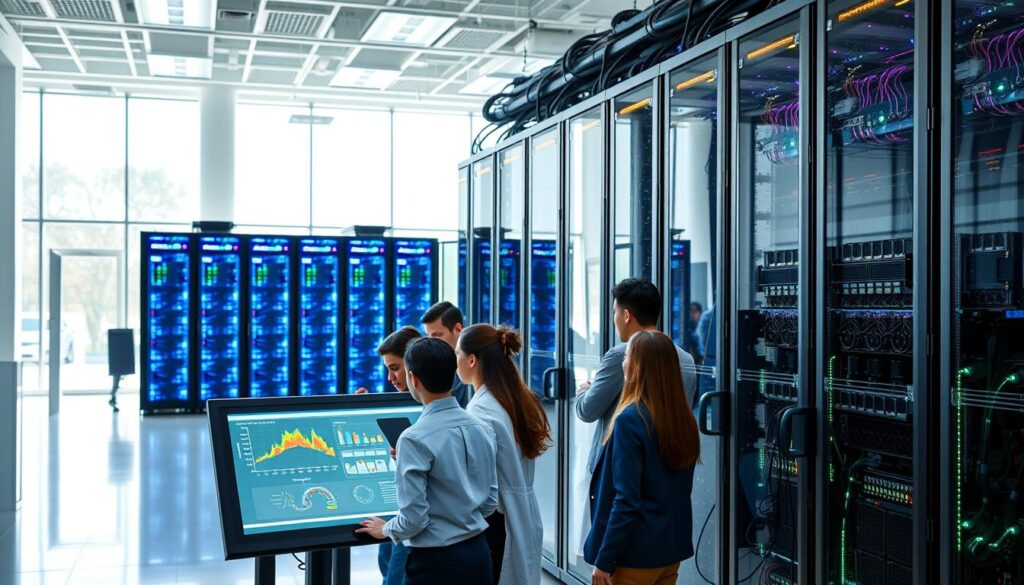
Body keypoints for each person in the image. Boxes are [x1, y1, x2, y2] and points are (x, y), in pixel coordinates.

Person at [356, 337, 498, 585]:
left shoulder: (412, 439)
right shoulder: (482, 427)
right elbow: (490, 501)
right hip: (478, 556)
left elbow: (413, 520)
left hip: (436, 565)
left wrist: (385, 529)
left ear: (413, 378)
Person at [584, 330, 701, 585]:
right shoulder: (684, 419)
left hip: (632, 557)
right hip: (669, 553)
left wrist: (604, 559)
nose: (623, 363)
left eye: (627, 357)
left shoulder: (630, 419)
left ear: (638, 366)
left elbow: (625, 500)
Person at [456, 324, 550, 585]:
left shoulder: (481, 410)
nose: (456, 363)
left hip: (496, 521)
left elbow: (476, 479)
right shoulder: (515, 397)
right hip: (520, 513)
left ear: (472, 360)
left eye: (457, 355)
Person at [576, 278, 698, 476]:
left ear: (626, 315)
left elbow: (587, 410)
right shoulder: (685, 358)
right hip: (668, 470)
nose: (613, 318)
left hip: (620, 471)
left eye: (614, 312)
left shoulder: (621, 355)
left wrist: (583, 391)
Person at [357, 327, 420, 585]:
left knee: (396, 575)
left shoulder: (429, 415)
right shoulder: (403, 403)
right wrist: (359, 412)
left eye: (395, 368)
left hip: (409, 522)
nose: (389, 377)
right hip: (394, 513)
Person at [421, 301, 472, 407]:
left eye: (436, 335)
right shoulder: (437, 366)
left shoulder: (472, 368)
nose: (431, 342)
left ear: (458, 329)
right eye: (428, 336)